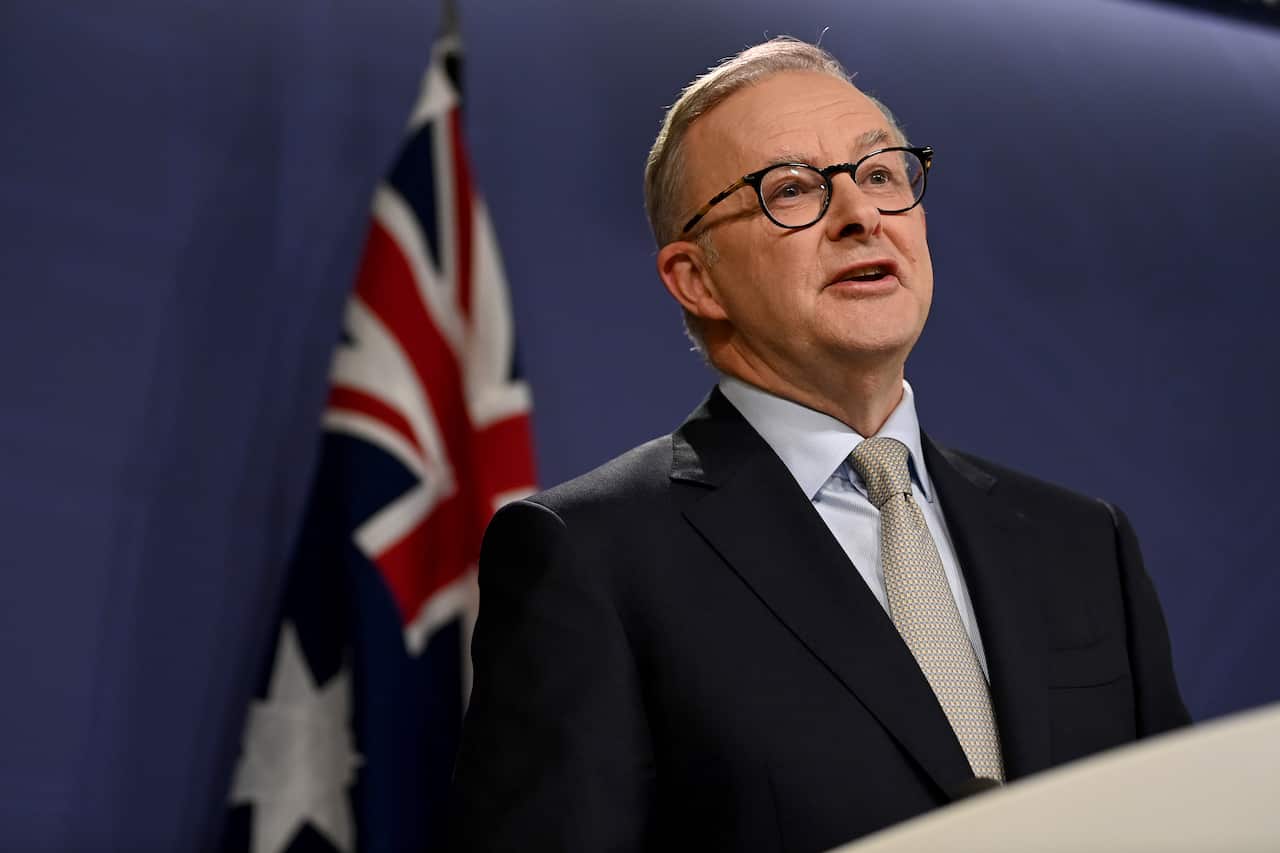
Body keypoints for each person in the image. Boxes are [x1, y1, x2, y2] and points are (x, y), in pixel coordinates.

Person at [449, 37, 1189, 852]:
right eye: (792, 189)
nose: (861, 215)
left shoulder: (1083, 544)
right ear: (697, 278)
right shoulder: (593, 557)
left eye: (881, 174)